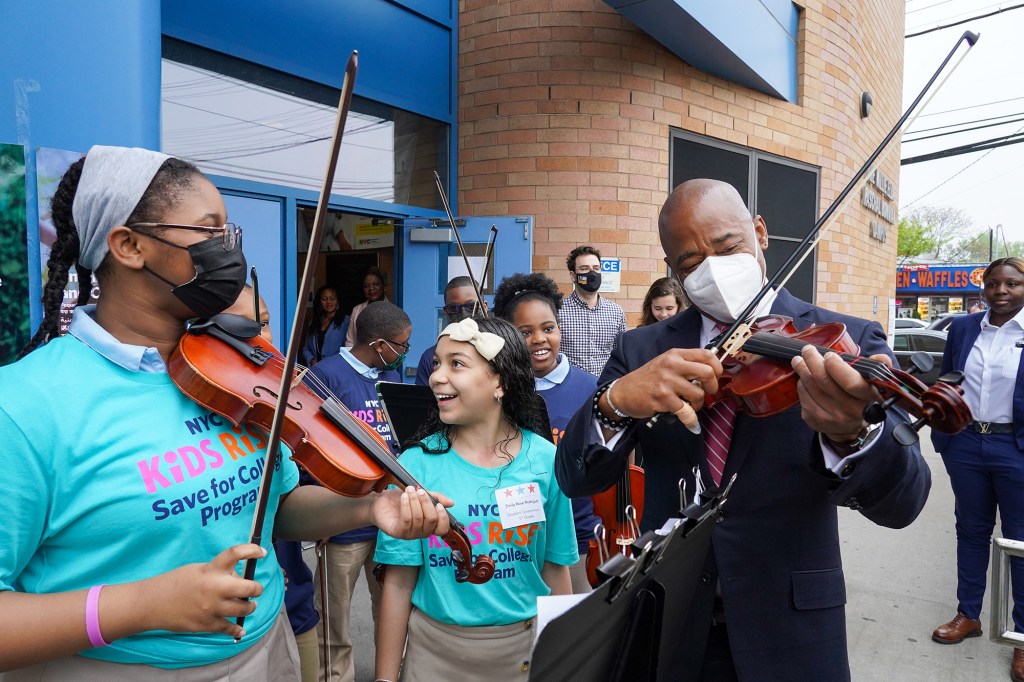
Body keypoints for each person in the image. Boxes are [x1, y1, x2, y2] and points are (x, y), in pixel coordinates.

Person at [0, 146, 450, 678]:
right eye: (210, 232)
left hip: (267, 643)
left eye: (229, 233)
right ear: (129, 245)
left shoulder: (235, 372)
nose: (229, 250)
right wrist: (143, 604)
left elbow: (276, 507)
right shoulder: (24, 406)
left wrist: (368, 509)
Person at [555, 179, 931, 682]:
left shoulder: (846, 339)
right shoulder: (640, 350)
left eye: (729, 246)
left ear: (760, 233)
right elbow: (576, 478)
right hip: (669, 623)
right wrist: (614, 402)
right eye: (690, 263)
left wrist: (854, 436)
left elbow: (904, 503)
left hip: (792, 629)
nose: (712, 267)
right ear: (673, 272)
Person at [374, 317, 578, 681]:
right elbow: (399, 581)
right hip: (434, 653)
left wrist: (564, 665)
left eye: (457, 363)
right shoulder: (413, 465)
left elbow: (554, 569)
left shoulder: (545, 460)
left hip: (523, 652)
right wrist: (386, 678)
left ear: (500, 381)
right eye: (437, 362)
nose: (436, 376)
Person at [303, 300, 410, 682]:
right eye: (402, 346)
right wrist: (322, 515)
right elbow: (309, 448)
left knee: (392, 613)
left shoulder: (392, 378)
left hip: (390, 519)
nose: (404, 354)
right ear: (380, 344)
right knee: (334, 622)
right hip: (343, 520)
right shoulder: (323, 376)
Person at [930, 257, 1024, 682]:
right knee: (970, 531)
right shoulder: (965, 328)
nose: (1001, 291)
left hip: (1015, 447)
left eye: (1012, 284)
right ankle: (968, 615)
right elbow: (946, 379)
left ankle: (1022, 636)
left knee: (1019, 542)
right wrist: (944, 437)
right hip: (966, 441)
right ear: (982, 288)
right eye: (992, 284)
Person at [223, 286, 321, 682]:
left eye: (264, 323)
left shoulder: (271, 406)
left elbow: (286, 503)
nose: (262, 340)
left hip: (288, 600)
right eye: (245, 327)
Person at [493, 272, 600, 594]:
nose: (539, 339)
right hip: (515, 535)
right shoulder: (500, 389)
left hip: (577, 531)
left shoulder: (589, 387)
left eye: (548, 328)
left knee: (573, 629)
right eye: (525, 332)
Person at [557, 245, 626, 377]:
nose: (592, 273)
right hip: (571, 387)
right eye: (584, 269)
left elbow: (621, 354)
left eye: (596, 268)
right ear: (573, 276)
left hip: (605, 388)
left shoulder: (616, 312)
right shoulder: (557, 310)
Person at [414, 276, 486, 386]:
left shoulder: (499, 350)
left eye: (471, 306)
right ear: (446, 312)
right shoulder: (430, 357)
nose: (464, 313)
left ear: (484, 307)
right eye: (454, 308)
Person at [302, 285, 349, 366]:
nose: (328, 302)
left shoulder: (346, 321)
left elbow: (348, 348)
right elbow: (306, 349)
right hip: (316, 371)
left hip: (336, 370)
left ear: (338, 301)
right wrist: (312, 360)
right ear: (319, 301)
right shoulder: (314, 321)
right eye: (324, 299)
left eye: (332, 298)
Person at [344, 268, 387, 348]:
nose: (371, 288)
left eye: (375, 284)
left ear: (383, 287)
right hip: (359, 358)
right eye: (366, 286)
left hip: (383, 359)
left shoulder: (393, 311)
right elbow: (350, 341)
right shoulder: (357, 310)